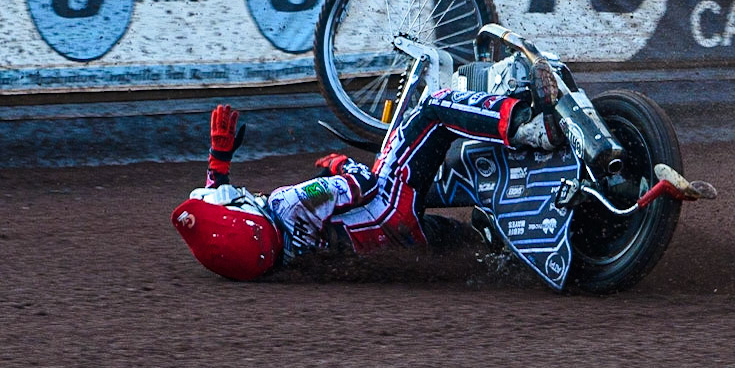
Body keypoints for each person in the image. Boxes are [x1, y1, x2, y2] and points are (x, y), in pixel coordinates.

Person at [172, 62, 563, 281]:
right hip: (390, 202)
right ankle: (525, 126)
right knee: (433, 109)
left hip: (393, 243)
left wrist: (218, 164)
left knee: (472, 241)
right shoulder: (287, 205)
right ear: (246, 215)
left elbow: (223, 227)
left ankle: (505, 250)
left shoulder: (274, 262)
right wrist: (341, 164)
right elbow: (361, 182)